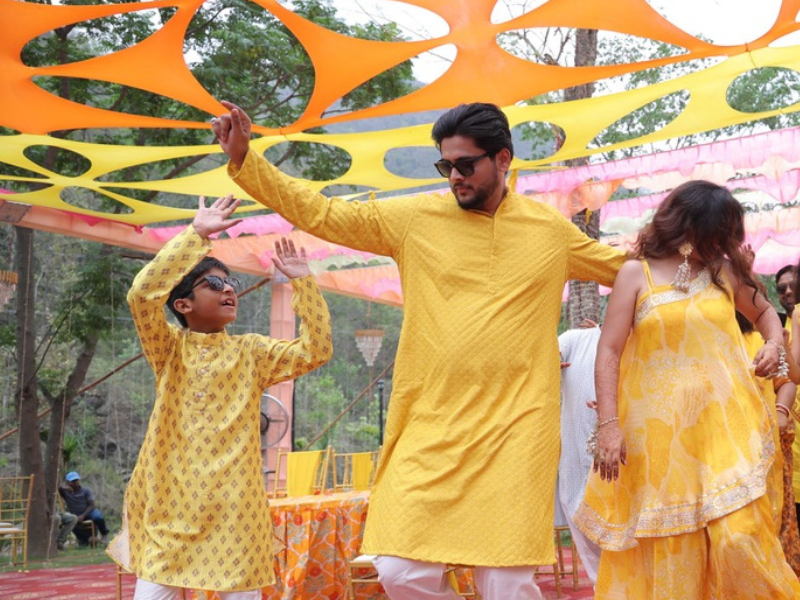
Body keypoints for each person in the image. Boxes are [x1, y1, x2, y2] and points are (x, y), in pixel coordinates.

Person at [213, 101, 627, 600]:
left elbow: (629, 272)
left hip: (518, 426)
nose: (454, 177)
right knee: (399, 568)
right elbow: (325, 213)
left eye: (465, 165)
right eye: (445, 166)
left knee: (506, 580)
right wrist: (245, 160)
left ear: (502, 160)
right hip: (431, 422)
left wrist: (709, 265)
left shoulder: (550, 232)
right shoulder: (414, 218)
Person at [574, 180, 800, 599]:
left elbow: (766, 312)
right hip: (661, 444)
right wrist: (608, 424)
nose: (723, 243)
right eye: (717, 232)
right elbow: (609, 350)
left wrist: (773, 345)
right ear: (687, 225)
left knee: (740, 541)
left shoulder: (723, 271)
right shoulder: (634, 274)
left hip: (727, 433)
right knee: (673, 554)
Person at [106, 195, 332, 600]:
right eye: (213, 283)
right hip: (169, 508)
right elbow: (141, 297)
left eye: (232, 283)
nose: (228, 289)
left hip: (234, 512)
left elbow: (315, 351)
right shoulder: (169, 349)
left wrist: (304, 283)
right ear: (183, 304)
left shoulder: (252, 353)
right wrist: (194, 235)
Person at [736, 310, 800, 575]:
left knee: (770, 531)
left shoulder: (761, 339)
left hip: (765, 454)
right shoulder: (698, 340)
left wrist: (781, 412)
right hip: (723, 456)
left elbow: (788, 380)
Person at [556, 319, 603, 583]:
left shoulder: (644, 343)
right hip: (575, 460)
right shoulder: (577, 339)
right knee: (581, 521)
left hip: (626, 462)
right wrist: (547, 361)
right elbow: (548, 351)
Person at [59, 471, 110, 546]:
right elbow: (57, 487)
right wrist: (65, 487)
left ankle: (104, 534)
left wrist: (83, 515)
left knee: (98, 517)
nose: (75, 482)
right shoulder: (65, 492)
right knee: (71, 522)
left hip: (89, 511)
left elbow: (92, 505)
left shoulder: (86, 490)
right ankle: (88, 539)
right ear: (68, 482)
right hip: (75, 515)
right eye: (73, 481)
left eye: (76, 480)